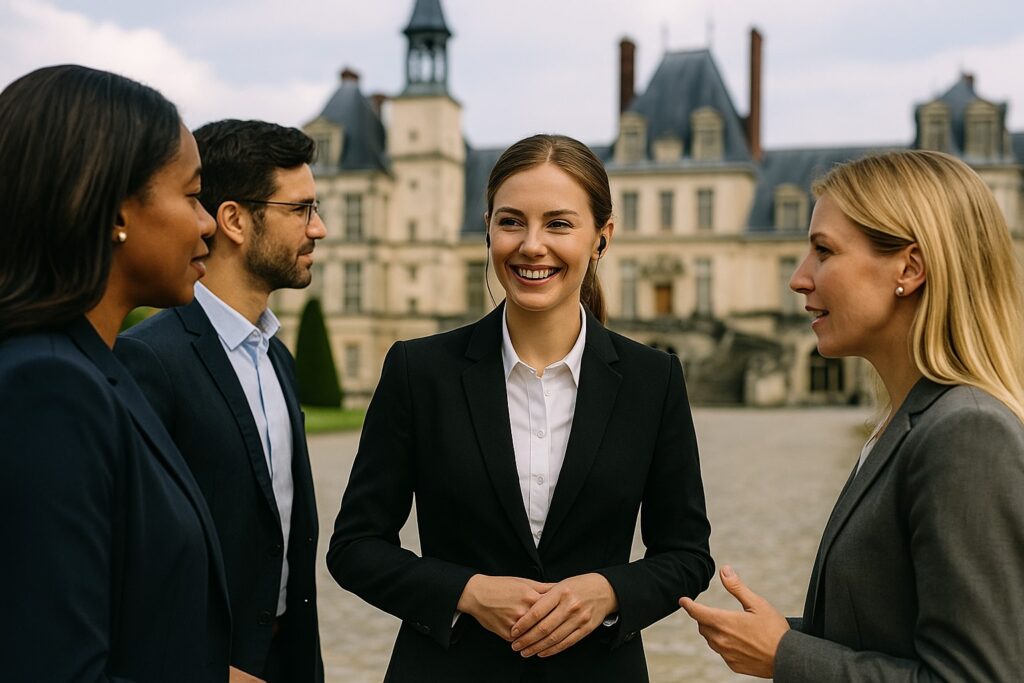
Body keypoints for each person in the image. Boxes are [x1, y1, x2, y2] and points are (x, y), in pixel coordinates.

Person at [328, 133, 714, 682]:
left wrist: (608, 592)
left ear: (601, 238)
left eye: (559, 223)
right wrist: (467, 592)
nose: (532, 245)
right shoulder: (420, 371)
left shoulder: (653, 380)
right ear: (488, 228)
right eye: (511, 222)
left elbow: (687, 554)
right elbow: (355, 547)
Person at [681, 150, 1024, 681]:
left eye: (823, 251)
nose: (798, 278)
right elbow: (893, 631)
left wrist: (785, 655)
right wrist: (783, 636)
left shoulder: (966, 431)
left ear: (909, 268)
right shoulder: (913, 419)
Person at [0, 65, 230, 681]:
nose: (207, 222)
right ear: (112, 209)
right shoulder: (47, 388)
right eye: (190, 194)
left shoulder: (91, 367)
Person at [116, 120, 327, 683]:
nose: (320, 228)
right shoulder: (148, 360)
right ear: (234, 219)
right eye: (301, 210)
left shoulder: (277, 358)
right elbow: (132, 560)